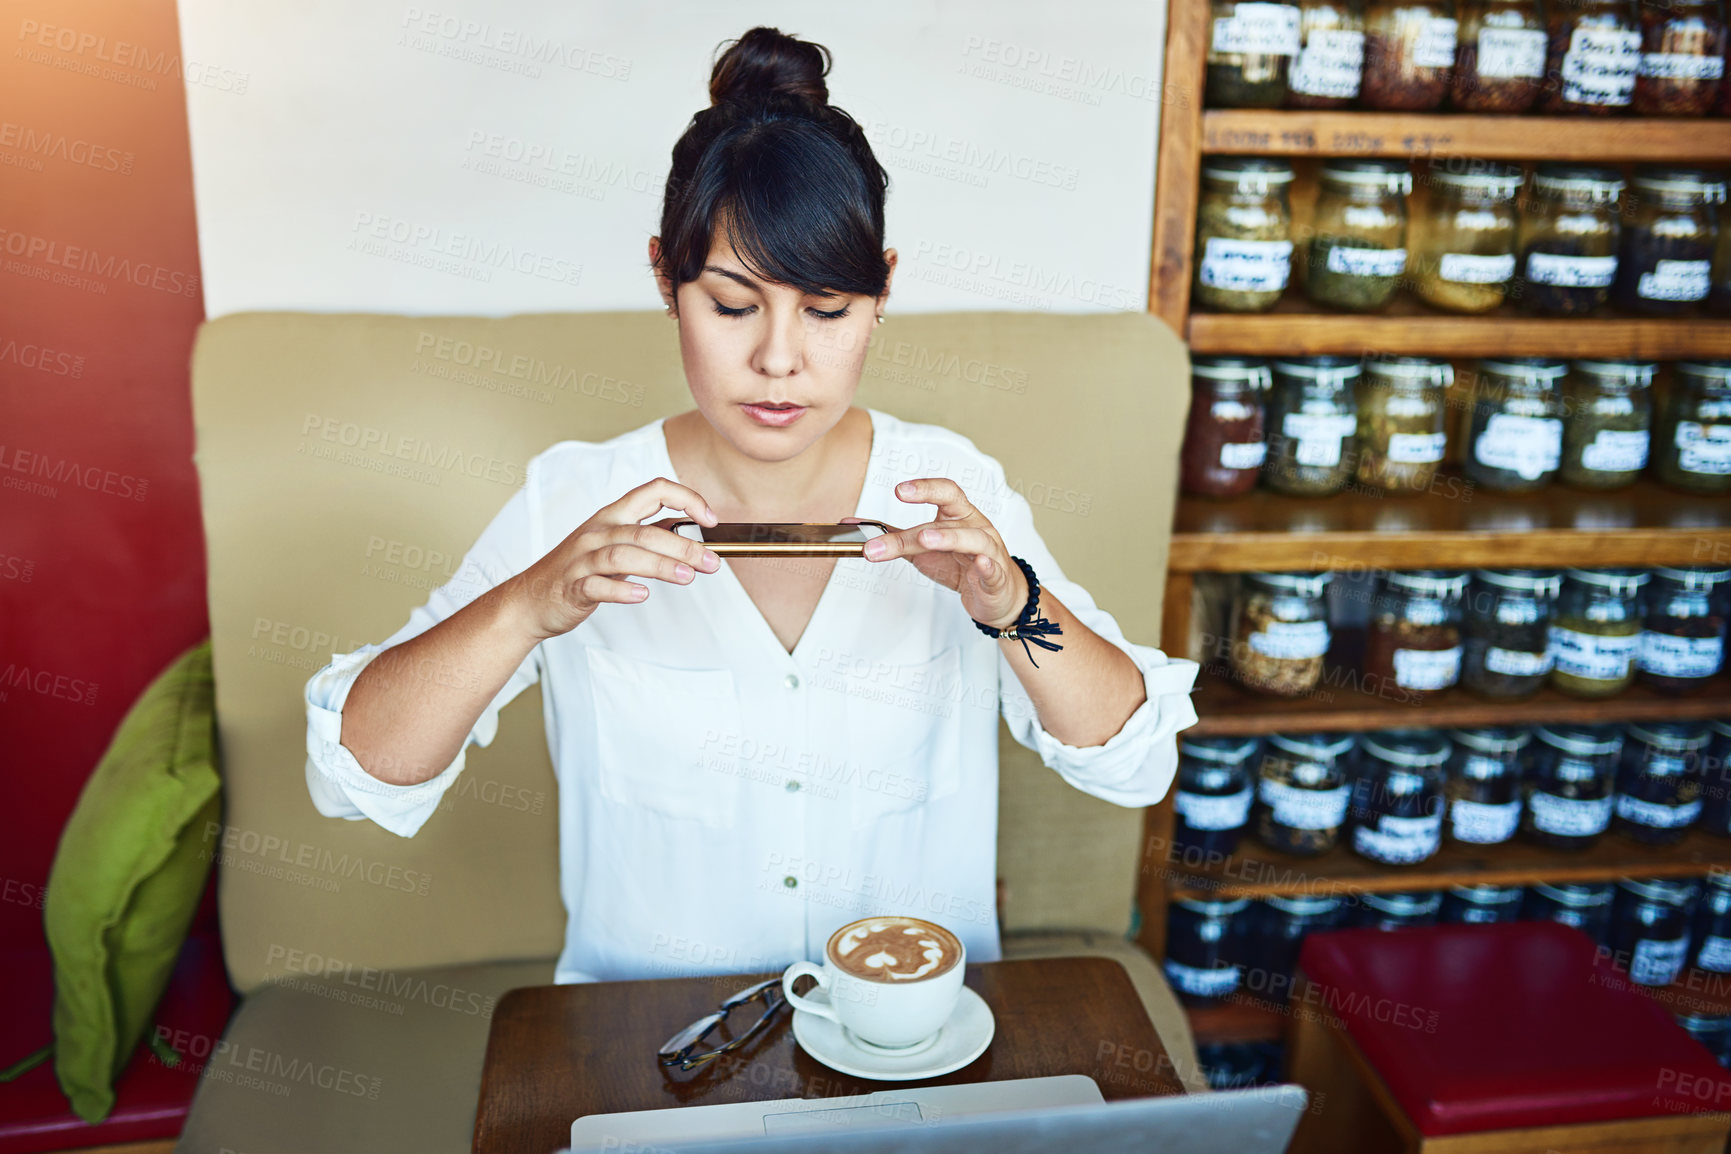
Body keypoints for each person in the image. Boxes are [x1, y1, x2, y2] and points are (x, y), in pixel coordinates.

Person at [302, 26, 1199, 984]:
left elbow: (1131, 764)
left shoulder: (949, 486)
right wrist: (528, 606)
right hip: (645, 1050)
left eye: (826, 311)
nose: (779, 361)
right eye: (732, 306)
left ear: (882, 289)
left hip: (908, 1046)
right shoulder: (573, 499)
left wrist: (1014, 606)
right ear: (664, 276)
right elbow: (353, 776)